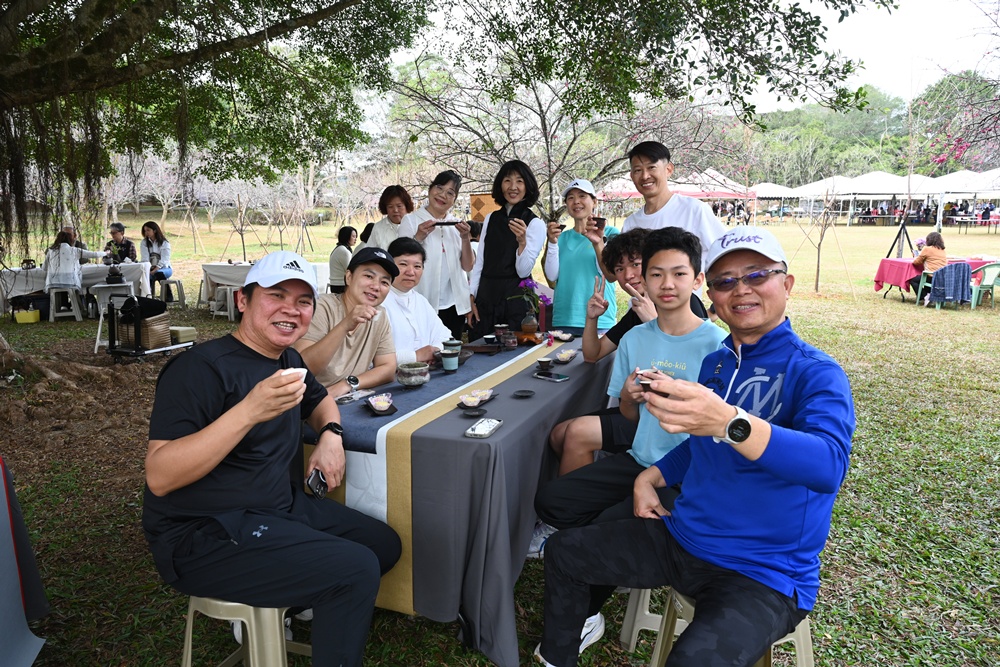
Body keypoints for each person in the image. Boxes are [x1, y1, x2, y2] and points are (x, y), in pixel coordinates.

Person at [532, 226, 855, 667]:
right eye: (726, 281)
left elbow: (827, 467)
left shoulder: (816, 372)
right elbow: (698, 444)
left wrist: (729, 421)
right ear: (715, 295)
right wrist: (651, 475)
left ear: (787, 284)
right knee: (565, 552)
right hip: (683, 538)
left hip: (761, 573)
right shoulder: (718, 361)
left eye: (757, 275)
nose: (741, 290)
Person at [142, 250, 401, 667]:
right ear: (243, 301)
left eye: (303, 301)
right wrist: (247, 411)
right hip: (204, 533)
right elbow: (160, 476)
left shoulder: (288, 359)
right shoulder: (198, 369)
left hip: (277, 507)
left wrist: (331, 436)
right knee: (355, 569)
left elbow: (320, 402)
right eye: (276, 295)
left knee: (383, 545)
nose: (290, 309)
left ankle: (293, 593)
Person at [533, 228, 725, 567]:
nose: (666, 284)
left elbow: (720, 428)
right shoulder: (636, 332)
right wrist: (626, 396)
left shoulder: (716, 345)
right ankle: (602, 540)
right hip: (641, 449)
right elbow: (626, 410)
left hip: (683, 467)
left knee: (595, 528)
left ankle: (602, 549)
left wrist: (675, 389)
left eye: (678, 274)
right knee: (552, 497)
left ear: (696, 281)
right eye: (655, 274)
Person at [546, 229, 654, 478]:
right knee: (558, 434)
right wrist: (591, 318)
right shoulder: (636, 311)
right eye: (619, 268)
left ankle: (568, 511)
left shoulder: (676, 305)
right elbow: (594, 354)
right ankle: (587, 493)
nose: (629, 275)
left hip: (659, 420)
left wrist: (655, 322)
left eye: (636, 264)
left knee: (575, 433)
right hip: (636, 410)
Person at [619, 141, 724, 318]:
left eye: (652, 167)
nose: (645, 176)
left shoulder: (694, 210)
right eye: (638, 170)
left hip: (684, 317)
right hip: (640, 315)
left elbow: (724, 256)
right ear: (631, 175)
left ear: (668, 169)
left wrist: (714, 310)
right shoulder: (631, 222)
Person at [296, 246, 397, 396]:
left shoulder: (379, 315)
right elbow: (304, 368)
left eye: (384, 282)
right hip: (309, 401)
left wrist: (349, 384)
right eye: (369, 276)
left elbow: (388, 368)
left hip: (347, 400)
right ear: (348, 277)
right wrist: (345, 325)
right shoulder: (321, 307)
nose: (375, 286)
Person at [469, 160, 546, 339]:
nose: (513, 187)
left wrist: (522, 243)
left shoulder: (535, 223)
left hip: (516, 298)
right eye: (507, 181)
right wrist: (471, 296)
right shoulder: (491, 218)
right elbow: (480, 262)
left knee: (515, 352)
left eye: (520, 181)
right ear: (500, 185)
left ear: (528, 186)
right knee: (482, 350)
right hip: (487, 295)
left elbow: (523, 270)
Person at [398, 170, 475, 340]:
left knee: (450, 354)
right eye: (439, 188)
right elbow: (400, 260)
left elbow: (468, 266)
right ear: (430, 189)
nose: (443, 196)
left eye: (450, 193)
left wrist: (465, 238)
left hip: (453, 305)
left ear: (454, 200)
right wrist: (418, 238)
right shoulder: (411, 220)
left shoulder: (456, 223)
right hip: (421, 302)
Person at [542, 178, 618, 334]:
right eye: (571, 198)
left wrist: (599, 242)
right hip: (564, 319)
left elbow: (611, 274)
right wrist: (551, 242)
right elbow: (551, 280)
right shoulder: (560, 238)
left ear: (594, 202)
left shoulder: (611, 234)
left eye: (582, 196)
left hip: (600, 319)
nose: (576, 201)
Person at [382, 237, 452, 364]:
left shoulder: (420, 301)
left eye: (417, 266)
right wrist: (415, 356)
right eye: (403, 264)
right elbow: (371, 357)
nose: (410, 272)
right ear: (389, 266)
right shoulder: (378, 303)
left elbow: (445, 335)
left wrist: (434, 350)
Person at [43, 230, 107, 294]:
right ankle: (76, 302)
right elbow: (95, 254)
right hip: (71, 283)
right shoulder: (74, 250)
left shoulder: (50, 251)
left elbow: (44, 268)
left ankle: (57, 304)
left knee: (56, 296)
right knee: (76, 292)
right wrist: (106, 253)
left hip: (52, 284)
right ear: (70, 240)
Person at [367, 186, 414, 252]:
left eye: (399, 206)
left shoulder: (416, 223)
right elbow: (369, 253)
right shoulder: (378, 228)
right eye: (390, 207)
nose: (395, 210)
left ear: (406, 205)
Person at [908, 231, 947, 305]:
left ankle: (924, 296)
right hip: (942, 277)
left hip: (932, 275)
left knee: (913, 280)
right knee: (925, 279)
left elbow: (916, 262)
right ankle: (929, 295)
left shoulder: (927, 249)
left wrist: (917, 257)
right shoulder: (942, 250)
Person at [139, 221, 174, 301]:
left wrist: (155, 269)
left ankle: (168, 295)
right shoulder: (144, 243)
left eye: (148, 230)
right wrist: (148, 269)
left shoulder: (164, 243)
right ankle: (148, 296)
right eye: (145, 231)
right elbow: (145, 258)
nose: (146, 232)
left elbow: (165, 259)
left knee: (159, 273)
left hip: (165, 268)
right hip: (150, 267)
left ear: (154, 231)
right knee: (147, 276)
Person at [328, 226, 357, 294]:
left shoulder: (340, 249)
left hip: (337, 284)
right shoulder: (343, 251)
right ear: (346, 237)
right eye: (353, 236)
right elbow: (350, 269)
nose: (355, 239)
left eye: (356, 236)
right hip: (340, 285)